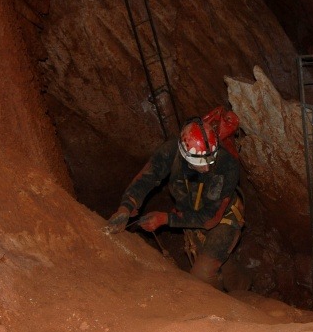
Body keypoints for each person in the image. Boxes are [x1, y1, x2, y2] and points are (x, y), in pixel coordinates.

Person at [104, 108, 245, 290]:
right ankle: (237, 284)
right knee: (218, 259)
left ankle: (241, 296)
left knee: (202, 274)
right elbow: (148, 175)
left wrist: (166, 219)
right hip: (191, 212)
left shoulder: (226, 166)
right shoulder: (172, 151)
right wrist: (126, 206)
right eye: (200, 164)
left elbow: (209, 219)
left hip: (222, 218)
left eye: (209, 161)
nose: (206, 169)